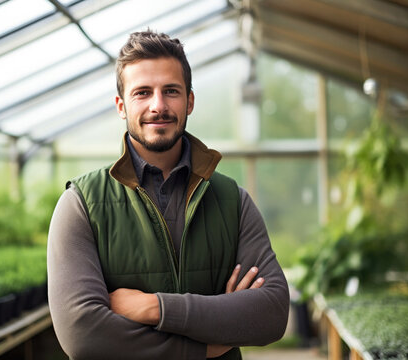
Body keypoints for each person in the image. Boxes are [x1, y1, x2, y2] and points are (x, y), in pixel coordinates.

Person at [47, 30, 289, 360]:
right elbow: (83, 334)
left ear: (189, 100)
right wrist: (207, 342)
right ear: (121, 106)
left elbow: (272, 313)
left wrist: (153, 307)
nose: (158, 106)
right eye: (142, 93)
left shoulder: (232, 201)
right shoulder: (82, 205)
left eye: (170, 91)